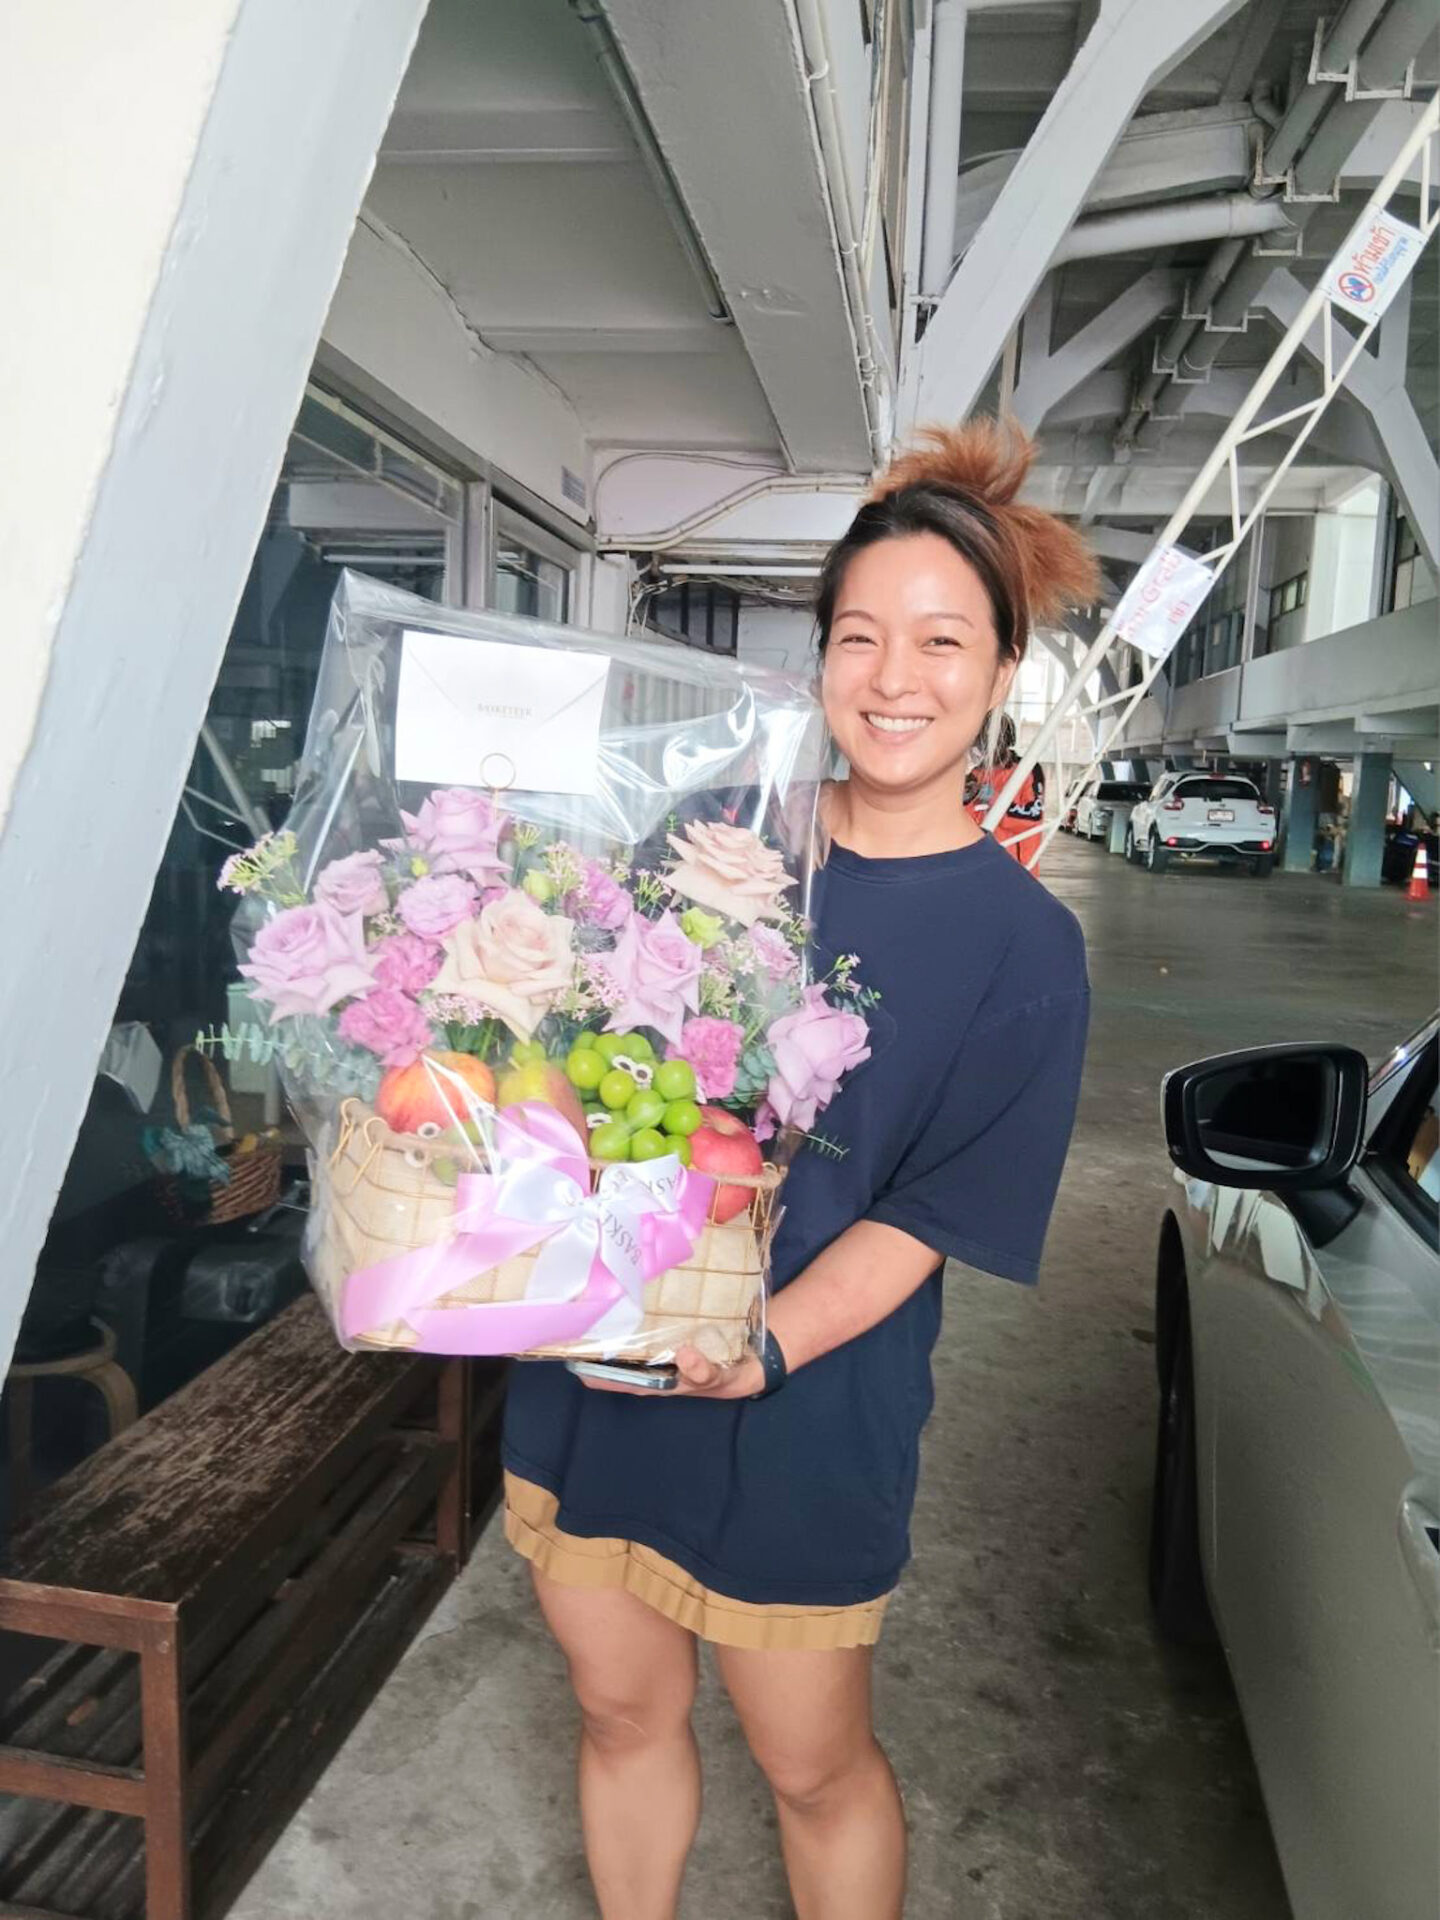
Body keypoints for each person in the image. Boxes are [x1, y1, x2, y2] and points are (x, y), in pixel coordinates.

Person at [501, 418, 1099, 1919]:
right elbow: (583, 1077)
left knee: (815, 1769)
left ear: (1004, 672)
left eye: (942, 642)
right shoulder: (720, 842)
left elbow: (929, 1217)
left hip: (806, 1410)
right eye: (862, 636)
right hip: (601, 1368)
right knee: (620, 1714)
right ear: (820, 657)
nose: (897, 680)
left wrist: (760, 1347)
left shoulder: (1026, 949)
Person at [964, 711, 1047, 870]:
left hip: (1016, 867)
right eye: (981, 744)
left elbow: (1032, 817)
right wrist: (967, 799)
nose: (984, 751)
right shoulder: (977, 774)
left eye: (990, 743)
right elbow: (967, 821)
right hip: (979, 864)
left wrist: (996, 800)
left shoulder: (1027, 771)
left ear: (1006, 741)